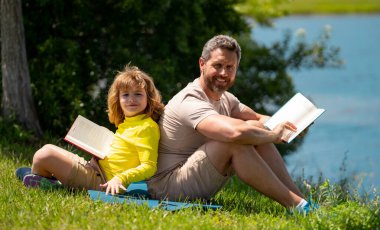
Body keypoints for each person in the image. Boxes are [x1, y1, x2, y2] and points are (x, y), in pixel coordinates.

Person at [147, 35, 316, 213]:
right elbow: (234, 134)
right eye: (218, 65)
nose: (224, 73)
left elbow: (260, 119)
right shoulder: (190, 100)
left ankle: (303, 203)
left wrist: (291, 125)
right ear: (202, 64)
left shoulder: (226, 99)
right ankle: (296, 206)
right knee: (235, 141)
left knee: (255, 134)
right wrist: (274, 134)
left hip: (193, 181)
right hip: (168, 188)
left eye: (230, 67)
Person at [19, 65, 165, 195]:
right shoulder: (127, 123)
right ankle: (47, 181)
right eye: (125, 95)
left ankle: (49, 183)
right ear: (118, 100)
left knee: (44, 155)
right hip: (94, 168)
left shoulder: (147, 127)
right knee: (47, 148)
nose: (131, 99)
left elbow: (149, 166)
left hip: (103, 182)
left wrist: (120, 178)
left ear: (149, 98)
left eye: (138, 94)